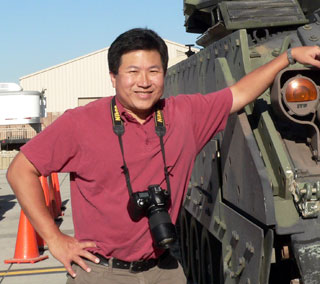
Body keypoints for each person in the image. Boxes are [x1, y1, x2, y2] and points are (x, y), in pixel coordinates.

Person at [6, 28, 320, 284]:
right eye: (133, 72)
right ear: (113, 78)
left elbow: (238, 94)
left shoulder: (184, 114)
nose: (144, 81)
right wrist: (55, 238)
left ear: (164, 75)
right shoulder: (80, 123)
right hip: (102, 272)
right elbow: (21, 170)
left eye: (153, 71)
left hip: (164, 269)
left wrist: (288, 57)